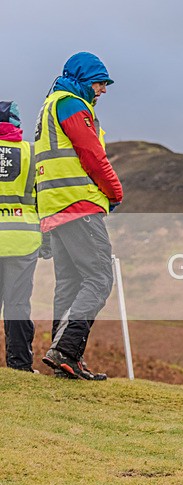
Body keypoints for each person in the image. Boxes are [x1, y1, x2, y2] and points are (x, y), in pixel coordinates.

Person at [34, 52, 123, 380]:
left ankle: (65, 360)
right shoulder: (71, 103)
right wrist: (114, 191)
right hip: (78, 205)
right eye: (100, 83)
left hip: (55, 208)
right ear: (85, 80)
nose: (103, 90)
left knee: (70, 283)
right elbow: (91, 154)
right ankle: (66, 351)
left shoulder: (49, 106)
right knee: (100, 278)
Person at [0, 101, 41, 373]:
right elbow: (43, 199)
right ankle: (20, 365)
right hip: (23, 238)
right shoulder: (32, 153)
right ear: (16, 124)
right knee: (17, 304)